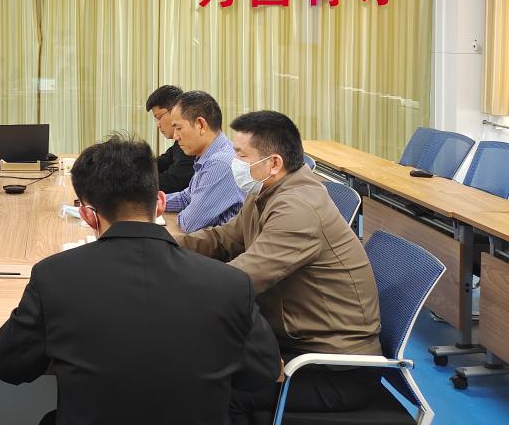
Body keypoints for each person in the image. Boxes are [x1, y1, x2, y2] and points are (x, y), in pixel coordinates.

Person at [0, 135, 281, 425]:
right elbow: (262, 373)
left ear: (88, 216)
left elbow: (8, 366)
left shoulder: (54, 277)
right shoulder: (230, 284)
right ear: (160, 203)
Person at [175, 111, 383, 423]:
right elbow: (222, 239)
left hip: (333, 367)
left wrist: (171, 280)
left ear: (273, 163)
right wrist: (163, 244)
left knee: (218, 393)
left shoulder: (298, 209)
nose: (234, 163)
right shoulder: (265, 191)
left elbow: (239, 281)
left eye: (241, 155)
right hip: (295, 343)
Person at [164, 90, 245, 232]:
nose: (176, 136)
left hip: (223, 246)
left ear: (201, 125)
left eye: (178, 128)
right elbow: (186, 197)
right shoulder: (207, 156)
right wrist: (152, 203)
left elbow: (190, 223)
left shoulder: (220, 163)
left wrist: (177, 216)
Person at [145, 84, 195, 193]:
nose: (158, 125)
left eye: (159, 117)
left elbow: (170, 183)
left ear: (175, 110)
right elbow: (161, 163)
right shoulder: (179, 143)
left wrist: (133, 179)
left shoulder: (191, 144)